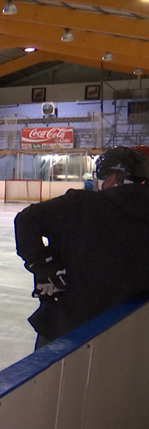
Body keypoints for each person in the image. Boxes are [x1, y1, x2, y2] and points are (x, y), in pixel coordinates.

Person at [14, 145, 149, 350]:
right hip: (127, 330)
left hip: (67, 323)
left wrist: (45, 265)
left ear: (111, 178)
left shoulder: (82, 204)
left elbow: (27, 219)